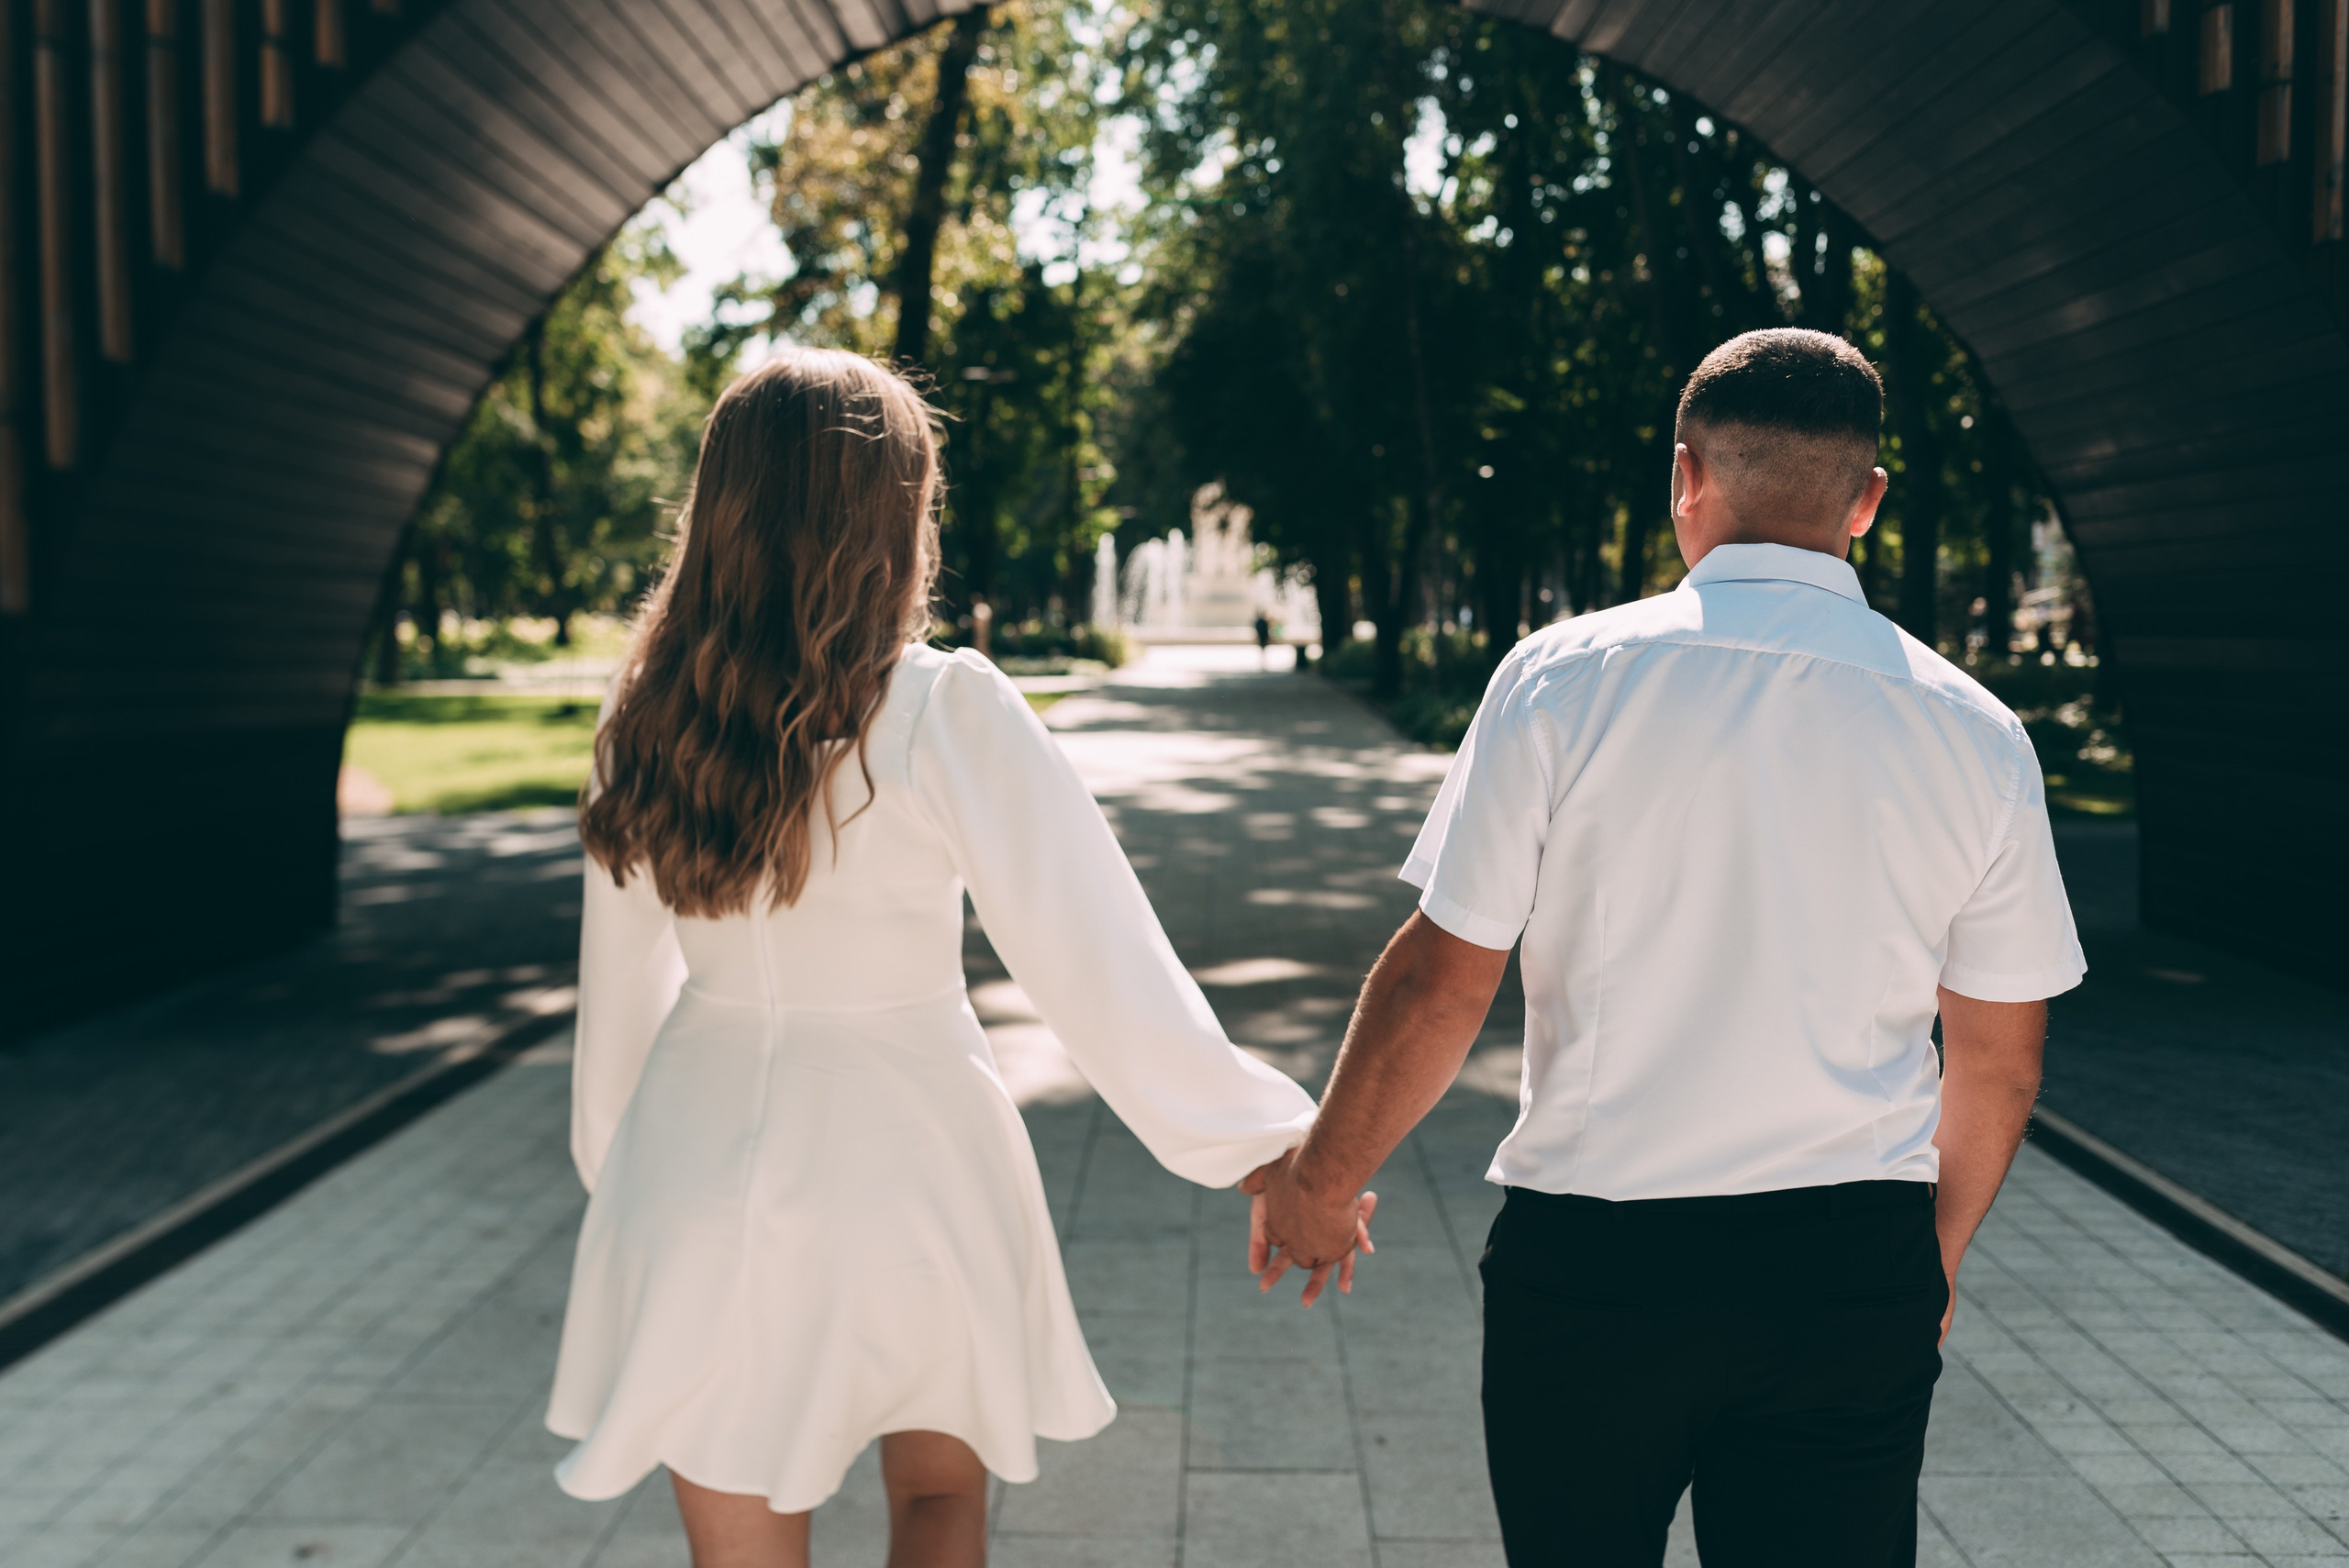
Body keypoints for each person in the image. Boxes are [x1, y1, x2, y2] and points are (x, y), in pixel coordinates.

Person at [1247, 328, 2084, 1567]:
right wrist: (1930, 1258)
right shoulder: (1975, 727)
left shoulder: (1561, 679)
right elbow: (2000, 1059)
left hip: (1598, 1267)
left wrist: (1321, 1178)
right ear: (1868, 500)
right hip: (1848, 1265)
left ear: (1684, 477)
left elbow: (1442, 975)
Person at [545, 349, 1366, 1568]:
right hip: (911, 1155)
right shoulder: (940, 707)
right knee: (937, 1501)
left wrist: (637, 1185)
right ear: (893, 515)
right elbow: (1096, 962)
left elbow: (615, 1027)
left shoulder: (643, 724)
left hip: (692, 1154)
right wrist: (1265, 1152)